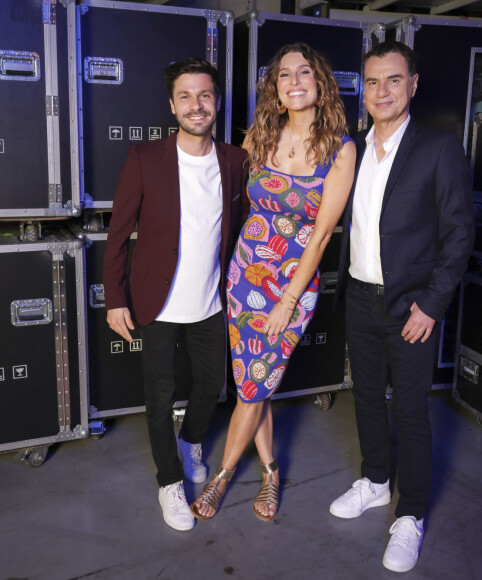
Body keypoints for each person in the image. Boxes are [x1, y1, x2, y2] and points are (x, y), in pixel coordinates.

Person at [191, 43, 355, 522]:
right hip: (245, 276)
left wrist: (286, 300)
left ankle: (221, 478)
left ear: (320, 84)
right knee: (251, 383)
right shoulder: (261, 137)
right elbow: (234, 200)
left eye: (306, 71)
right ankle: (269, 470)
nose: (296, 80)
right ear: (277, 91)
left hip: (292, 284)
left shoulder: (341, 148)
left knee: (253, 384)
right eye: (285, 75)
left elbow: (322, 235)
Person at [329, 41, 475, 572]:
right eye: (372, 82)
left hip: (412, 307)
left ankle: (410, 514)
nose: (382, 91)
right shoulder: (353, 149)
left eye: (393, 80)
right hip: (360, 298)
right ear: (361, 90)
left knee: (411, 411)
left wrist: (432, 306)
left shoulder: (438, 147)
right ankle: (374, 480)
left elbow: (459, 234)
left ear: (412, 84)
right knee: (365, 397)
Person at [103, 58, 249, 532]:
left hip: (211, 301)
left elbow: (245, 226)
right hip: (156, 302)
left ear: (217, 100)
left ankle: (191, 442)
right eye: (185, 96)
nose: (196, 105)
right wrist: (116, 298)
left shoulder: (235, 160)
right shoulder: (145, 158)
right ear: (172, 105)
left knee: (211, 386)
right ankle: (169, 483)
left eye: (204, 95)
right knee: (160, 396)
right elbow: (119, 233)